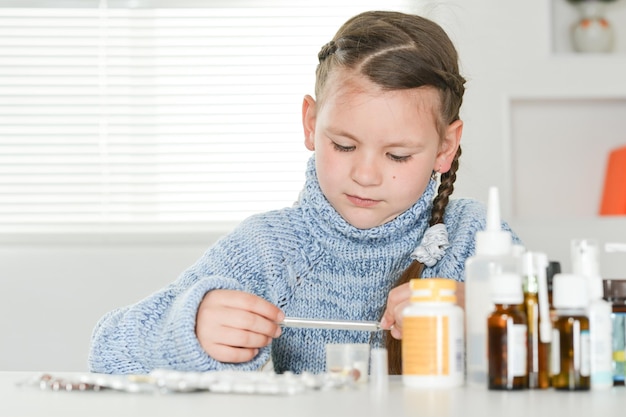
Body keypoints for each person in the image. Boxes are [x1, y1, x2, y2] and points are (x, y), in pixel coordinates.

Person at [89, 10, 520, 376]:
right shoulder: (271, 248)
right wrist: (191, 330)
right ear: (311, 124)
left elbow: (576, 339)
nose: (365, 175)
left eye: (398, 155)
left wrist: (490, 315)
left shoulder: (477, 240)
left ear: (445, 147)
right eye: (344, 146)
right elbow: (107, 353)